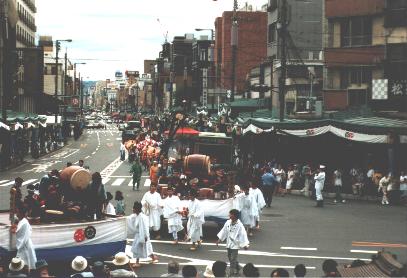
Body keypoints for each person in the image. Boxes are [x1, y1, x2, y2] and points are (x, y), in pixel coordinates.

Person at [216, 209, 250, 276]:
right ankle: (238, 267)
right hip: (229, 243)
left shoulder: (240, 225)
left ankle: (231, 273)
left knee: (232, 259)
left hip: (235, 244)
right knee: (230, 257)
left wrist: (245, 245)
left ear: (234, 216)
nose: (229, 215)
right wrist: (219, 239)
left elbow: (243, 235)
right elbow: (224, 231)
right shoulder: (228, 222)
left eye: (230, 214)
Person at [127, 201, 159, 267]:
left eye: (134, 208)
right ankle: (153, 258)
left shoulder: (142, 217)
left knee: (139, 248)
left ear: (136, 209)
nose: (132, 209)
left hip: (143, 235)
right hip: (139, 235)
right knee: (145, 247)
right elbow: (129, 218)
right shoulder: (136, 215)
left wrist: (145, 236)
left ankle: (138, 262)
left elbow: (145, 228)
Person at [12, 206, 37, 272]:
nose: (16, 213)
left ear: (21, 213)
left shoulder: (24, 222)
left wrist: (14, 229)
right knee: (23, 264)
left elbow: (17, 233)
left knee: (25, 265)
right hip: (25, 244)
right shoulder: (21, 221)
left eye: (17, 212)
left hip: (25, 245)